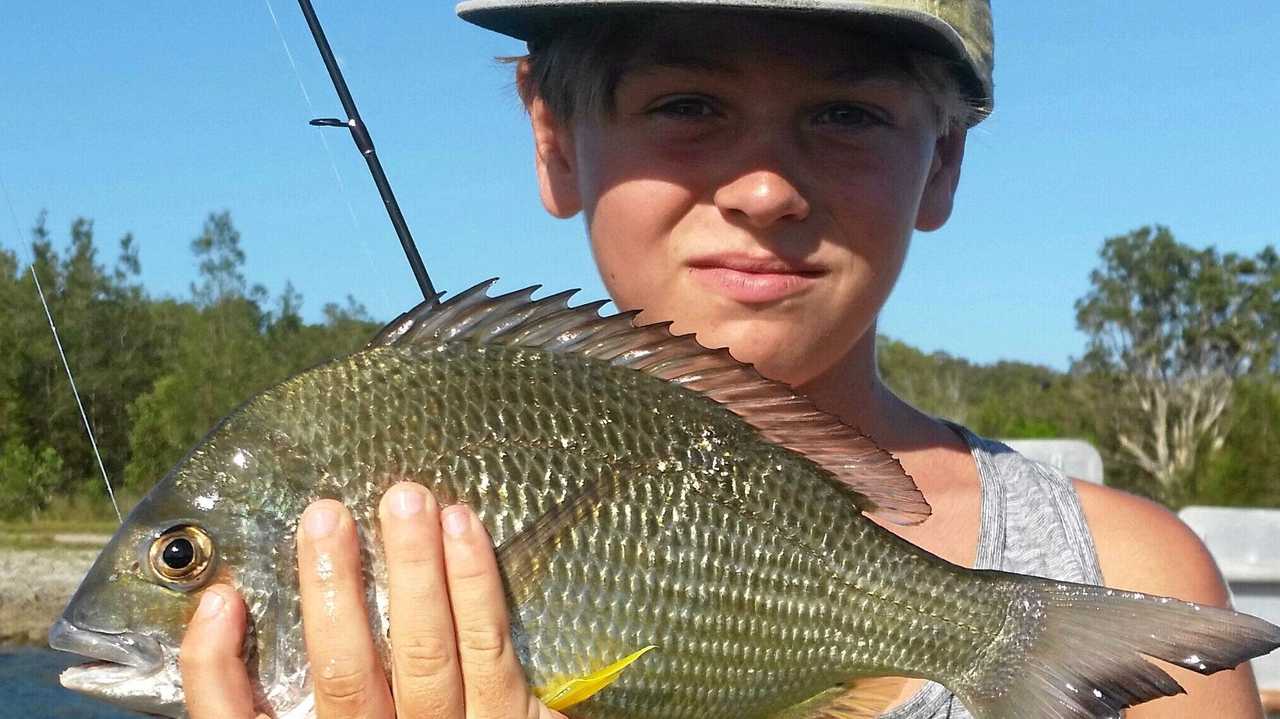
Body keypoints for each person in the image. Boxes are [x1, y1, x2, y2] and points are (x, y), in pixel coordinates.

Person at [177, 2, 1268, 717]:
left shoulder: (1116, 567)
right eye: (685, 105)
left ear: (941, 162)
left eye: (844, 112)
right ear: (552, 137)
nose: (760, 187)